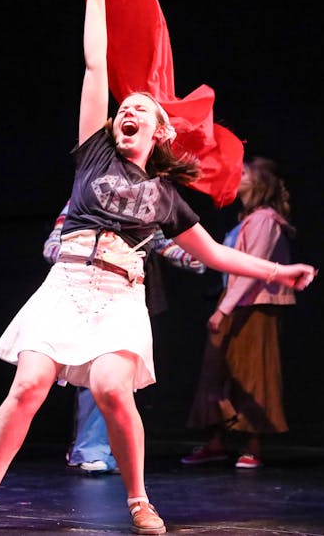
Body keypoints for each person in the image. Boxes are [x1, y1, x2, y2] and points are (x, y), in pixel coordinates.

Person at [0, 0, 316, 536]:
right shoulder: (94, 152)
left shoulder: (167, 198)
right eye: (125, 108)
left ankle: (139, 499)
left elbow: (217, 256)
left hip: (121, 294)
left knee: (110, 389)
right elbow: (96, 67)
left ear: (159, 130)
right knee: (28, 385)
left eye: (140, 109)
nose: (128, 111)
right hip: (67, 283)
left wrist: (281, 272)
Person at [44, 201, 206, 475]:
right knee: (95, 372)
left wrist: (194, 255)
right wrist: (87, 256)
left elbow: (160, 241)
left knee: (120, 379)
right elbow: (53, 246)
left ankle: (112, 449)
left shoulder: (140, 203)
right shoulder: (81, 200)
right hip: (87, 297)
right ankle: (90, 448)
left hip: (126, 298)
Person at [181, 157, 298, 470]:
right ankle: (216, 442)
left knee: (253, 373)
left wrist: (222, 309)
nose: (237, 175)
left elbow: (252, 272)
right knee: (215, 372)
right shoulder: (247, 219)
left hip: (256, 304)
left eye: (244, 172)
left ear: (261, 182)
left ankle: (253, 445)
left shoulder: (266, 220)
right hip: (234, 300)